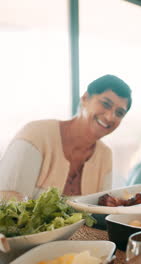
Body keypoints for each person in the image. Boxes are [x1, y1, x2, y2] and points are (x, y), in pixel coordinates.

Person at [0, 74, 132, 198]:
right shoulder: (35, 134)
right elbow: (6, 200)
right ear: (85, 98)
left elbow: (100, 210)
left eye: (119, 113)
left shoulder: (105, 155)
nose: (110, 117)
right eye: (105, 104)